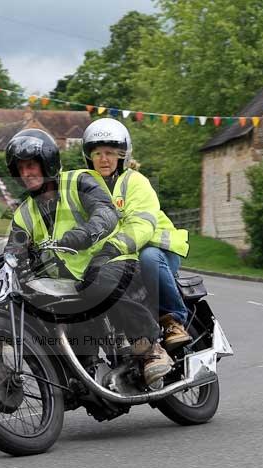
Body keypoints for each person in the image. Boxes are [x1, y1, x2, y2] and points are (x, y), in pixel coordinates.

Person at [4, 128, 174, 385]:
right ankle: (80, 373)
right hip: (72, 280)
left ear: (47, 163)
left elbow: (105, 212)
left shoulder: (79, 181)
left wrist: (83, 234)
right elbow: (13, 250)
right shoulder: (24, 213)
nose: (26, 173)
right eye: (21, 168)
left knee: (99, 284)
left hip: (112, 258)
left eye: (31, 166)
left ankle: (150, 349)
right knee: (39, 308)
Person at [80, 118, 192, 351]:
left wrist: (111, 249)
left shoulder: (135, 181)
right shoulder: (85, 187)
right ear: (88, 156)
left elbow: (140, 226)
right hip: (124, 255)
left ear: (123, 155)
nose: (103, 159)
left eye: (110, 152)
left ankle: (174, 319)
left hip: (157, 250)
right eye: (97, 153)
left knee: (148, 257)